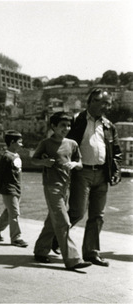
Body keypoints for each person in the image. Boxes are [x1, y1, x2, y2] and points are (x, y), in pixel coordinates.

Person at [66, 88, 122, 267]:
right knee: (77, 212)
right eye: (103, 103)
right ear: (90, 102)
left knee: (98, 215)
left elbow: (117, 153)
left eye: (108, 103)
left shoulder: (109, 126)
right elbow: (65, 146)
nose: (106, 107)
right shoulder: (76, 121)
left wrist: (116, 171)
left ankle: (91, 253)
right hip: (82, 172)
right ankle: (56, 237)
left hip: (102, 174)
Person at [31, 112, 92, 270]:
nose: (67, 128)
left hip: (66, 187)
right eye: (63, 125)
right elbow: (34, 159)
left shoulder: (72, 144)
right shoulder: (46, 143)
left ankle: (40, 251)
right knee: (63, 221)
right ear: (53, 126)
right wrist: (44, 162)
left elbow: (80, 163)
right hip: (51, 186)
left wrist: (74, 164)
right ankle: (73, 259)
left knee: (52, 221)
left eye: (69, 125)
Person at [0, 130, 28, 247]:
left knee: (8, 213)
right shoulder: (6, 157)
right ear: (12, 142)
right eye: (19, 142)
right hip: (9, 190)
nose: (21, 144)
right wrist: (2, 188)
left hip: (17, 189)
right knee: (15, 213)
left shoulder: (16, 156)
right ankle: (16, 238)